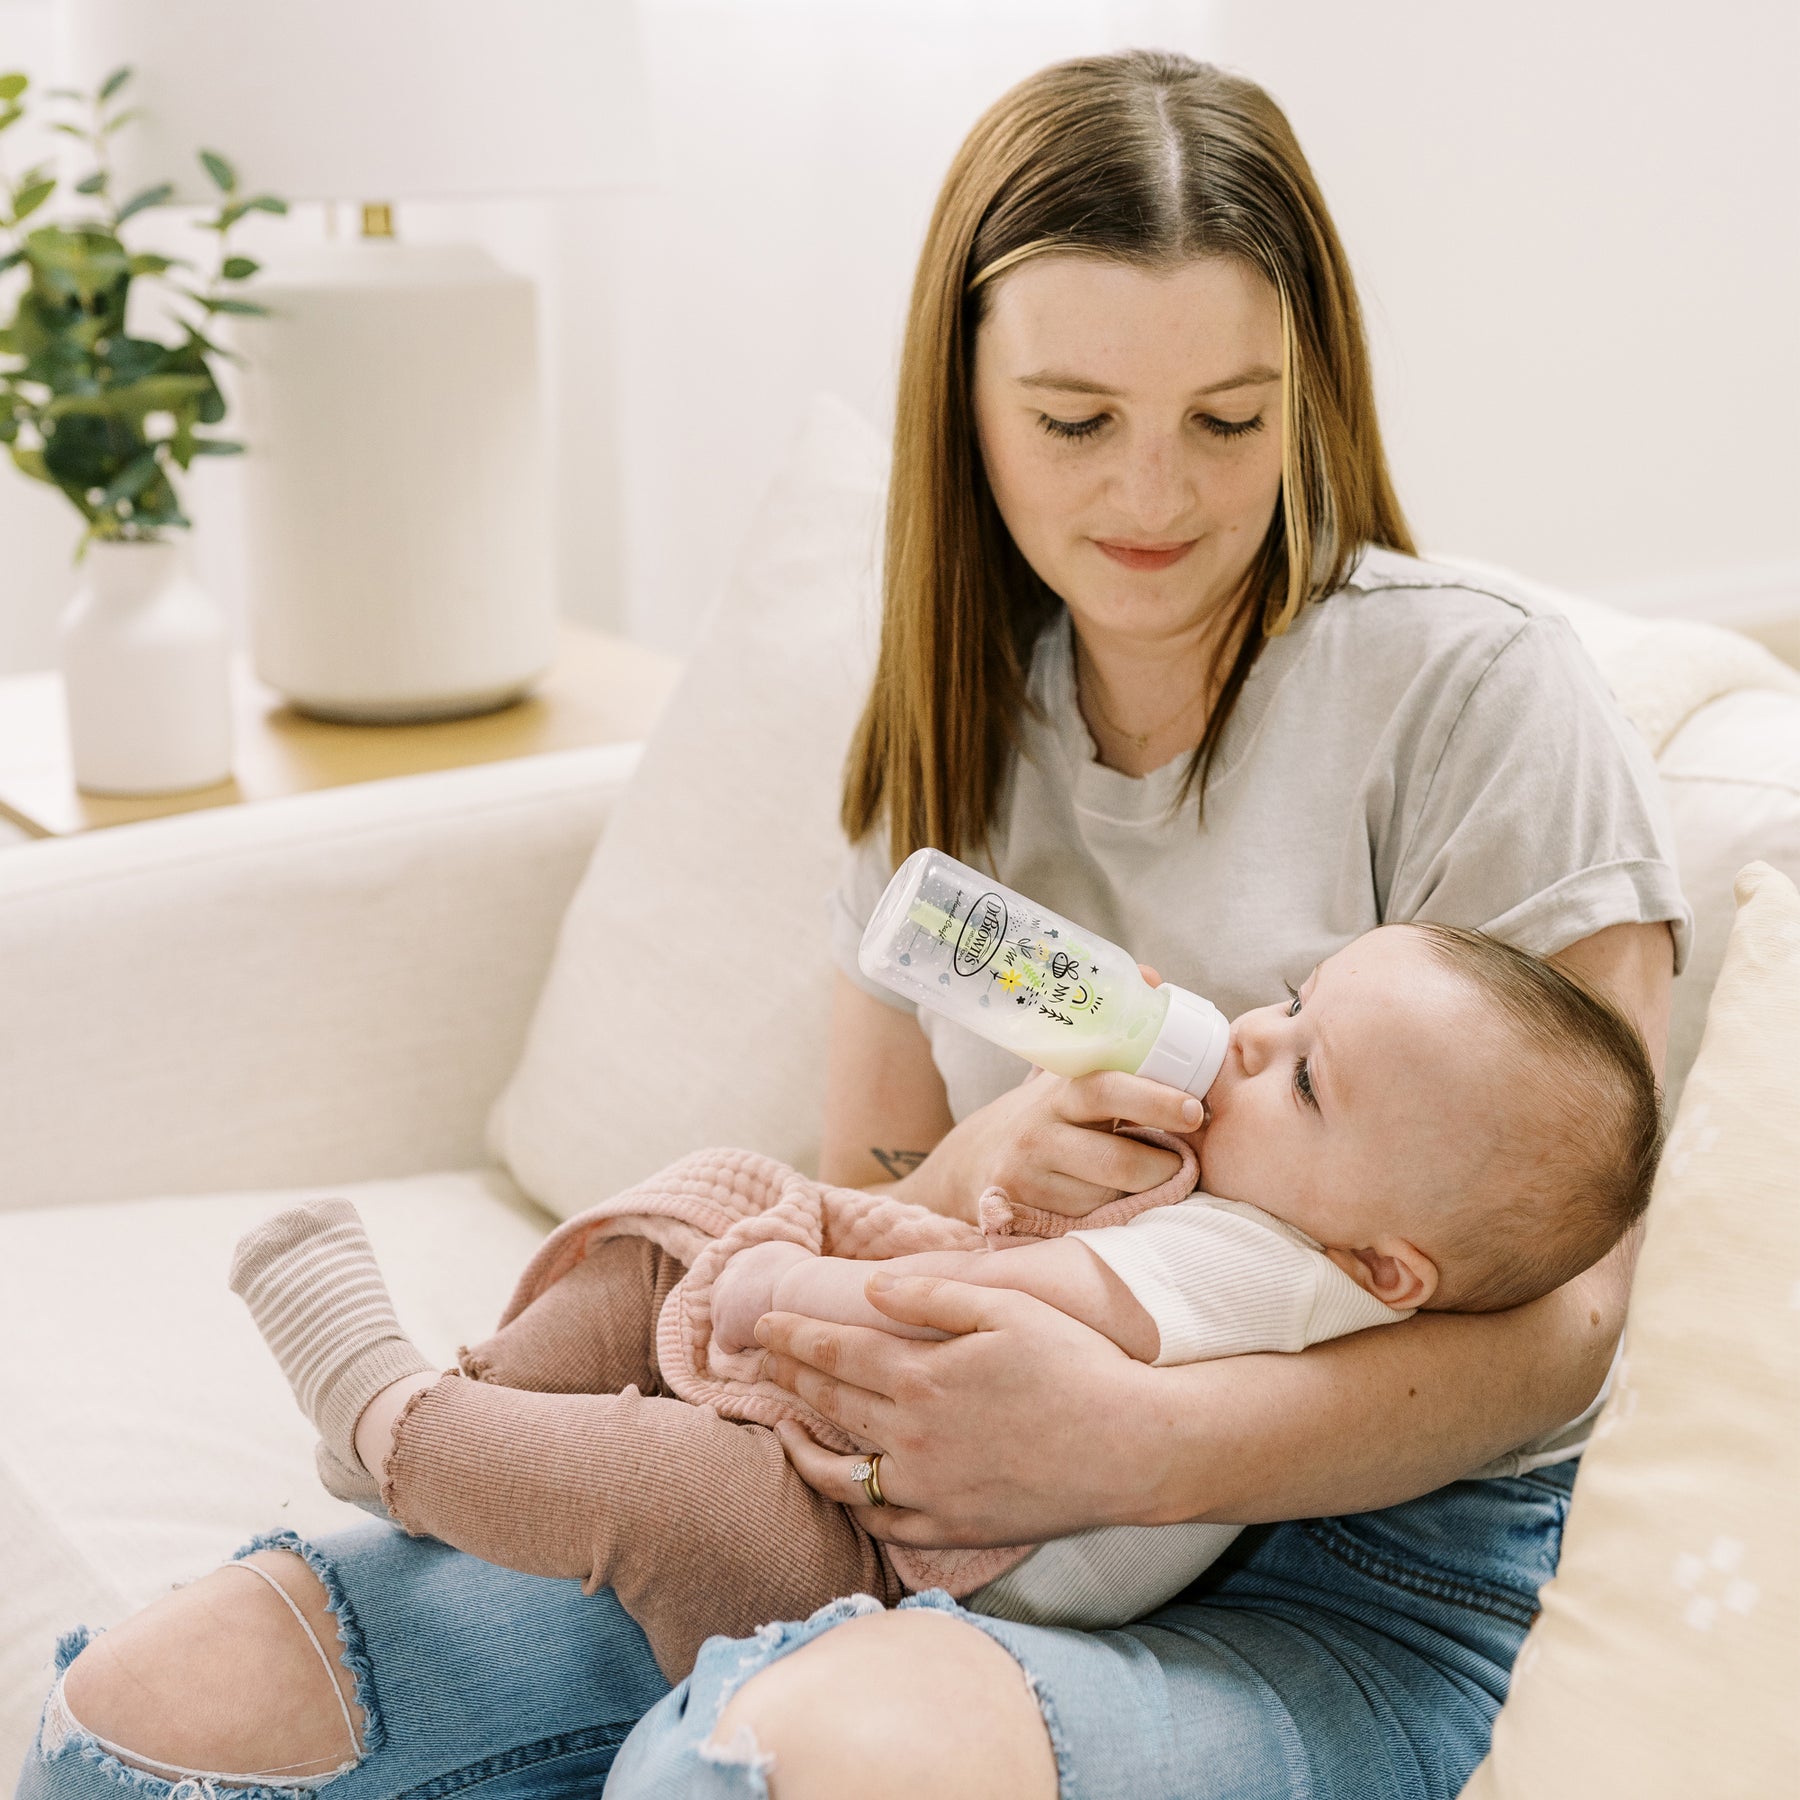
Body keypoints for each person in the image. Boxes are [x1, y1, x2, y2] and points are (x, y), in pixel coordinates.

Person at [20, 49, 1687, 1800]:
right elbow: (873, 1204)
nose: (1154, 495)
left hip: (1357, 1576)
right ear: (963, 395)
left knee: (760, 1768)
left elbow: (1572, 1315)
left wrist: (1136, 1439)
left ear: (1311, 394)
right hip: (913, 1518)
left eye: (1229, 418)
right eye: (1073, 419)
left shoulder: (1475, 696)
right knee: (141, 1723)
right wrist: (993, 1157)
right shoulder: (949, 732)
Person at [212, 920, 1662, 1688]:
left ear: (1390, 1266)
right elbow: (995, 1234)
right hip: (897, 1451)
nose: (1257, 1036)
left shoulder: (1273, 1274)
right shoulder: (1256, 1209)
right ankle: (475, 1412)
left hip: (905, 1569)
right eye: (1294, 1002)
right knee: (690, 1226)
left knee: (676, 1490)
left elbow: (973, 1304)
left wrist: (792, 1278)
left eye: (1304, 1078)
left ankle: (399, 1419)